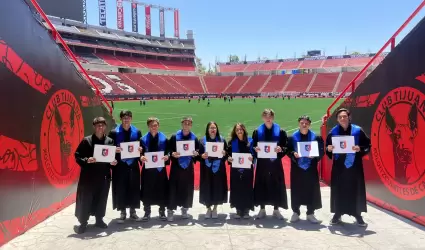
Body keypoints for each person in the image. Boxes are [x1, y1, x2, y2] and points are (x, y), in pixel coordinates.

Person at [326, 108, 371, 227]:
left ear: (349, 117)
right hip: (339, 167)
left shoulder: (357, 130)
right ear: (337, 119)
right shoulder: (333, 132)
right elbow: (327, 148)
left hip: (354, 167)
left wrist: (359, 148)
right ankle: (337, 213)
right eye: (340, 117)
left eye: (344, 116)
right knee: (338, 189)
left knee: (355, 189)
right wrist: (329, 149)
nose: (342, 119)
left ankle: (357, 214)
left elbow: (367, 145)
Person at [74, 117, 117, 234]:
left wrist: (113, 162)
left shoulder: (109, 141)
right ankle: (83, 222)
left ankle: (99, 219)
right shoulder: (86, 141)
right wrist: (87, 160)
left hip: (104, 176)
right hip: (89, 177)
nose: (100, 127)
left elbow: (112, 159)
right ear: (94, 127)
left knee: (101, 199)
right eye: (98, 125)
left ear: (105, 127)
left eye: (102, 125)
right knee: (86, 200)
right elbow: (77, 156)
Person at [252, 109, 288, 219]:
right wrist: (255, 149)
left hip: (275, 163)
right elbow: (253, 146)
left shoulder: (280, 131)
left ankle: (276, 209)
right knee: (261, 183)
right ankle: (262, 209)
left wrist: (280, 148)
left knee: (276, 183)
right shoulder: (257, 131)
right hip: (262, 163)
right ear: (263, 117)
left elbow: (285, 146)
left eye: (270, 116)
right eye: (266, 116)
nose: (268, 118)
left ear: (273, 117)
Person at [287, 115, 324, 224]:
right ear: (299, 123)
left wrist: (315, 156)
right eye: (302, 123)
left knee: (311, 189)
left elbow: (321, 151)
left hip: (310, 168)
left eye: (306, 123)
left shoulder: (315, 137)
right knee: (296, 189)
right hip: (297, 168)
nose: (304, 125)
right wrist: (293, 153)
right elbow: (287, 150)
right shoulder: (292, 137)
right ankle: (296, 212)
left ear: (309, 124)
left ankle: (310, 213)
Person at [108, 110, 143, 223]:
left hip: (133, 164)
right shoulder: (114, 132)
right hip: (120, 165)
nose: (126, 120)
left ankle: (133, 212)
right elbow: (108, 148)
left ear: (131, 119)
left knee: (133, 187)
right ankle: (122, 212)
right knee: (121, 187)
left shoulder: (137, 132)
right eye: (124, 118)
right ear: (121, 119)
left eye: (128, 117)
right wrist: (114, 150)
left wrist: (140, 150)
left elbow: (141, 147)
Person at [167, 117, 200, 221]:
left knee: (187, 187)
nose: (186, 125)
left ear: (191, 125)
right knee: (173, 187)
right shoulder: (174, 136)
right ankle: (170, 210)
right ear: (182, 124)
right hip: (176, 166)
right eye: (185, 123)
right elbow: (168, 150)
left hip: (188, 166)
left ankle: (185, 208)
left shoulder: (194, 138)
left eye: (189, 123)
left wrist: (196, 154)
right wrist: (172, 153)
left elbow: (197, 151)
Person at [140, 117, 170, 221]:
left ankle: (162, 211)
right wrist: (141, 157)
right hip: (148, 170)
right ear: (148, 126)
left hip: (160, 170)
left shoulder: (164, 138)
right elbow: (140, 153)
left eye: (156, 125)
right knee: (147, 190)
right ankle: (147, 212)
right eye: (152, 125)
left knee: (161, 189)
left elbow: (168, 152)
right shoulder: (143, 139)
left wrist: (167, 156)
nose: (154, 127)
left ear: (158, 126)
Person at [199, 121, 228, 219]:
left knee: (217, 187)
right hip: (206, 168)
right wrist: (201, 156)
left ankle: (215, 208)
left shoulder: (222, 140)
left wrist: (225, 154)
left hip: (218, 168)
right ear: (207, 129)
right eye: (211, 128)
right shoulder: (202, 141)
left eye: (214, 128)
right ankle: (208, 208)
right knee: (207, 187)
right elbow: (199, 155)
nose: (213, 130)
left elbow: (227, 155)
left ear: (217, 129)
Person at [227, 123, 255, 219]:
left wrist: (253, 157)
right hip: (235, 169)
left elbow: (254, 153)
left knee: (247, 188)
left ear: (244, 130)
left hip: (247, 169)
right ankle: (238, 210)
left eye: (241, 129)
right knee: (237, 188)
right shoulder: (231, 142)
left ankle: (246, 209)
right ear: (235, 131)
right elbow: (228, 154)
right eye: (237, 129)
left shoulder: (250, 141)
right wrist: (229, 158)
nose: (239, 131)